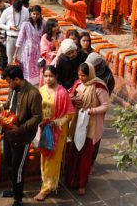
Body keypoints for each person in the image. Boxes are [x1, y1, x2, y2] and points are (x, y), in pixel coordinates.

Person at [0, 65, 43, 206]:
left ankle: (18, 198)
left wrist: (21, 128)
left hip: (22, 137)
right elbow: (9, 103)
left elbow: (37, 117)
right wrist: (3, 107)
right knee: (9, 164)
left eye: (9, 82)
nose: (8, 85)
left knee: (18, 168)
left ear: (17, 79)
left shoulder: (33, 94)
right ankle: (13, 189)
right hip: (8, 134)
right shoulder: (13, 88)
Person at [66, 62, 111, 196]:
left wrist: (92, 110)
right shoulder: (78, 84)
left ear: (90, 74)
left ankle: (82, 183)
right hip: (77, 120)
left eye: (84, 75)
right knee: (74, 151)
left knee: (85, 155)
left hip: (91, 124)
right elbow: (69, 95)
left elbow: (105, 105)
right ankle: (71, 179)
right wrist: (73, 99)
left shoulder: (98, 87)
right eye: (79, 75)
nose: (81, 78)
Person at [34, 65, 75, 202]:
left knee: (53, 159)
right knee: (44, 156)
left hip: (57, 131)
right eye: (45, 76)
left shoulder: (62, 93)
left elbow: (70, 113)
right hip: (45, 129)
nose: (48, 79)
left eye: (50, 76)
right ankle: (46, 181)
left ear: (56, 76)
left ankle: (47, 188)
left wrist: (56, 122)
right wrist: (39, 121)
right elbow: (37, 110)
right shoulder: (41, 91)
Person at [15, 5, 45, 85]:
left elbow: (45, 35)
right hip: (28, 50)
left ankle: (39, 82)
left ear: (40, 14)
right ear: (31, 13)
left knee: (38, 66)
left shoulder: (42, 23)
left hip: (38, 49)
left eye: (37, 14)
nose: (35, 16)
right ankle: (28, 84)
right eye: (34, 14)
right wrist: (16, 53)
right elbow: (20, 39)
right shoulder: (26, 24)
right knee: (27, 67)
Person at [0, 0, 30, 65]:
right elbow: (0, 24)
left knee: (20, 59)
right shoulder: (7, 11)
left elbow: (28, 23)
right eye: (16, 10)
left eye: (19, 10)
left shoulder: (25, 11)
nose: (18, 12)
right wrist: (9, 27)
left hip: (21, 38)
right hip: (11, 38)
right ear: (12, 7)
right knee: (10, 59)